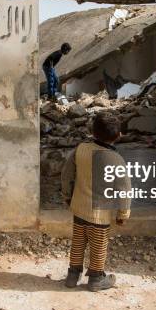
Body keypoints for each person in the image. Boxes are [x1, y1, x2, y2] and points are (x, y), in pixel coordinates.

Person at [61, 113, 131, 291]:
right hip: (99, 216)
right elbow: (124, 191)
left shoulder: (81, 149)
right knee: (98, 247)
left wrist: (67, 196)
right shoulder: (116, 160)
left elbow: (67, 174)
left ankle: (72, 276)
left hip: (79, 209)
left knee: (78, 243)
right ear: (119, 135)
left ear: (93, 131)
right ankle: (95, 279)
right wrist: (123, 214)